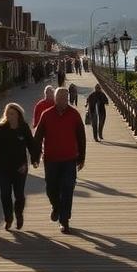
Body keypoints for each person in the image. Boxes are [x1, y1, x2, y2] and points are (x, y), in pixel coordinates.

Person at [33, 87, 86, 233]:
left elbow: (81, 137)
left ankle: (64, 220)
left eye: (65, 98)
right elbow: (37, 138)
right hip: (51, 159)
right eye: (60, 98)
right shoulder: (46, 114)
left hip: (69, 158)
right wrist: (35, 157)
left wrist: (81, 157)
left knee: (68, 188)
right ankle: (56, 207)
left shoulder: (74, 114)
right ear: (55, 99)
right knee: (51, 189)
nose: (63, 100)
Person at [0, 103, 40, 230]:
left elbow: (31, 145)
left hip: (20, 167)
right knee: (5, 194)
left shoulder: (24, 128)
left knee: (19, 194)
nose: (10, 116)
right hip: (3, 167)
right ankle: (8, 218)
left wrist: (34, 160)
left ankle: (18, 214)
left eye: (12, 114)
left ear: (18, 115)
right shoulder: (0, 129)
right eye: (8, 113)